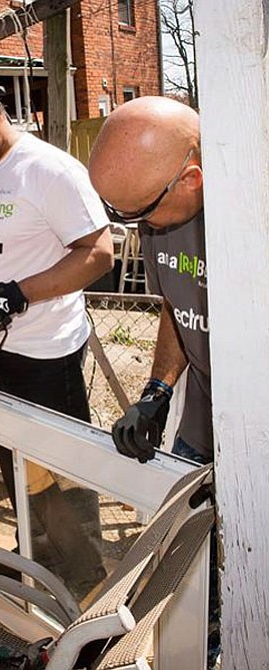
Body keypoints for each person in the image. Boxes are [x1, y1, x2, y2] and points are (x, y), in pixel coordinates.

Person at [0, 77, 114, 597]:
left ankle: (84, 575)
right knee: (15, 460)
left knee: (61, 469)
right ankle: (34, 551)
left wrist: (17, 294)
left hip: (46, 349)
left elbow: (98, 253)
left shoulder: (48, 169)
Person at [87, 95, 218, 668]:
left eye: (140, 215)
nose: (136, 230)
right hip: (201, 425)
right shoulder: (164, 211)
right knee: (191, 565)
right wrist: (157, 393)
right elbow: (174, 308)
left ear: (192, 177)